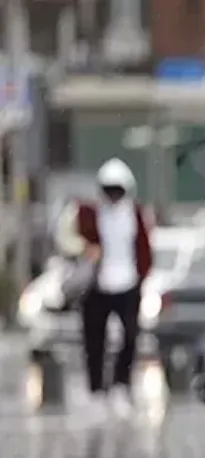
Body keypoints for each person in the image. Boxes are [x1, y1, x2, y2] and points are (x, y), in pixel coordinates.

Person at [55, 158, 154, 421]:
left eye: (117, 190)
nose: (113, 196)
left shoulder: (136, 213)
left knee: (130, 337)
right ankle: (97, 390)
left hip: (128, 284)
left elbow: (145, 249)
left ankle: (121, 385)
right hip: (96, 286)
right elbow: (64, 237)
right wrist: (85, 249)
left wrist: (142, 276)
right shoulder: (87, 213)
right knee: (94, 340)